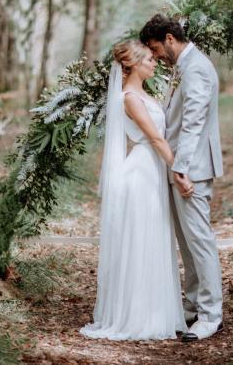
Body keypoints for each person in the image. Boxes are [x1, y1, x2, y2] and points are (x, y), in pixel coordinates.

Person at [80, 39, 187, 341]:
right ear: (133, 65)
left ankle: (157, 311)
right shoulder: (129, 98)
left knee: (153, 240)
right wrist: (179, 171)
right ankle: (138, 316)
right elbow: (155, 139)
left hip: (152, 171)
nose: (155, 63)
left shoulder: (145, 94)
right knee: (142, 242)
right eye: (149, 60)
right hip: (141, 174)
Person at [140, 13, 224, 342]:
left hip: (192, 170)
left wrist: (181, 169)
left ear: (170, 39)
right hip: (181, 167)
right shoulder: (183, 66)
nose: (155, 55)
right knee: (187, 244)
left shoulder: (198, 67)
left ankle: (211, 315)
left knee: (200, 242)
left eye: (155, 47)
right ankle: (192, 306)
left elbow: (194, 122)